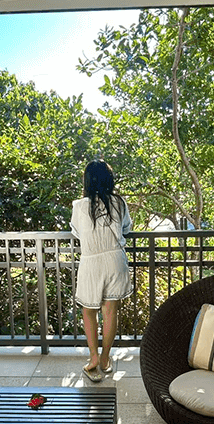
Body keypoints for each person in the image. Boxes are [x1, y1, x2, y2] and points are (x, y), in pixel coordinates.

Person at [72, 160, 134, 382]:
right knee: (110, 312)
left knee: (89, 311)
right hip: (115, 260)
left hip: (91, 262)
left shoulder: (79, 206)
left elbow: (78, 233)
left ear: (87, 181)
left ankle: (93, 358)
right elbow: (126, 228)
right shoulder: (119, 203)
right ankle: (107, 358)